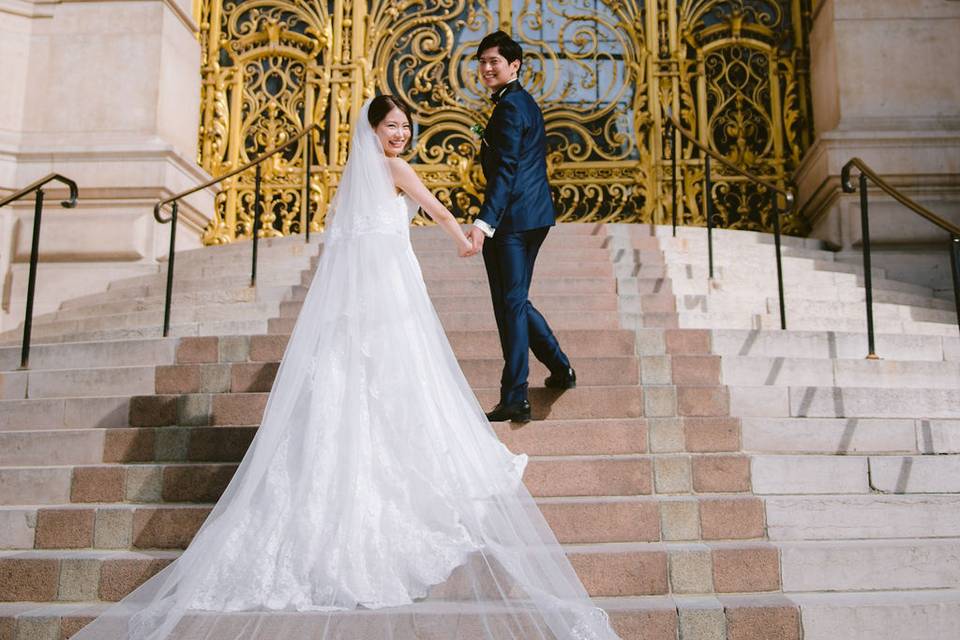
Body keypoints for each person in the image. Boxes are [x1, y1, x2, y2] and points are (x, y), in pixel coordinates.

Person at [67, 96, 618, 639]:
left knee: (356, 390)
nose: (401, 134)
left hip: (360, 305)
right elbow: (435, 207)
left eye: (406, 126)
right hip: (390, 301)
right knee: (401, 385)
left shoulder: (356, 179)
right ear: (374, 129)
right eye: (393, 125)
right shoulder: (395, 168)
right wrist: (466, 238)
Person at [467, 31, 577, 424]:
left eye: (493, 61)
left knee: (510, 305)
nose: (486, 68)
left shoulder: (512, 107)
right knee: (513, 302)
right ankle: (560, 367)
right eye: (481, 62)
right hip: (529, 215)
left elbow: (507, 171)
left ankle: (515, 396)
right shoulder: (519, 103)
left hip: (513, 220)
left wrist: (484, 222)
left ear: (514, 65)